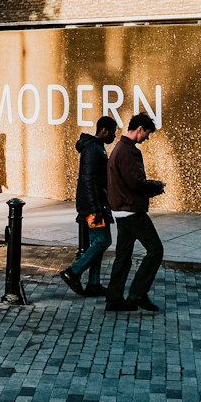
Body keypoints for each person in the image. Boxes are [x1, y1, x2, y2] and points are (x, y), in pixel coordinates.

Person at [105, 112, 165, 313]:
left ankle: (114, 299)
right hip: (131, 210)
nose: (147, 138)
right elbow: (136, 182)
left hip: (121, 211)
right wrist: (155, 187)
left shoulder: (119, 149)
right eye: (146, 133)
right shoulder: (128, 151)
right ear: (139, 129)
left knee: (123, 257)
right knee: (156, 250)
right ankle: (138, 294)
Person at [60, 115, 117, 298]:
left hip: (97, 205)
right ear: (104, 131)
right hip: (94, 208)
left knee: (97, 242)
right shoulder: (93, 149)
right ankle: (73, 272)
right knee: (102, 240)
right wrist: (95, 208)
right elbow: (88, 179)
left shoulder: (96, 148)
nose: (114, 136)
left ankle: (94, 283)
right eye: (113, 132)